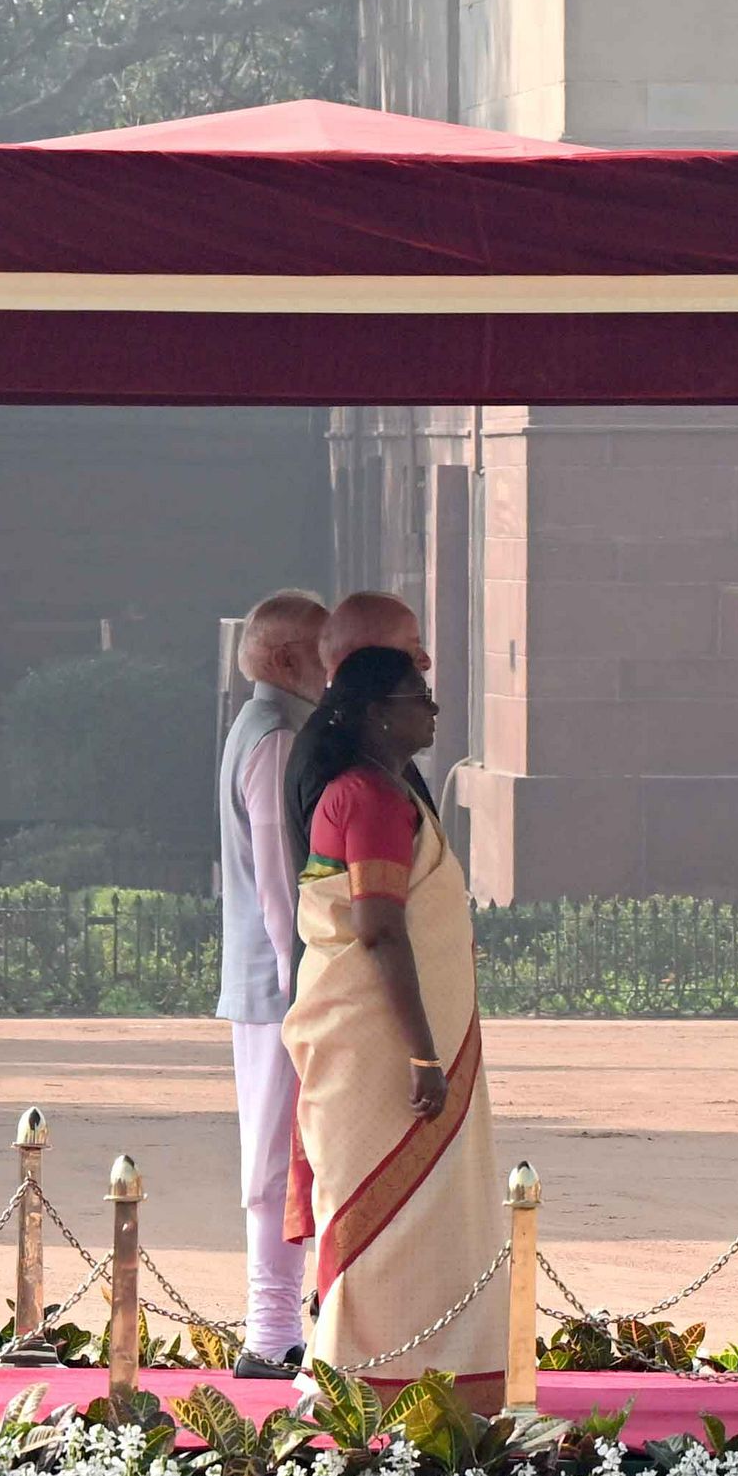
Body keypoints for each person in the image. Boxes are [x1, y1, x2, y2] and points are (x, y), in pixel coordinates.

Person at [281, 644, 503, 1400]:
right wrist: (422, 1055)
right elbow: (377, 930)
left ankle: (425, 1370)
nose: (433, 710)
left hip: (380, 1032)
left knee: (427, 1205)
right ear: (378, 712)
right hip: (378, 1041)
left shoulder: (383, 790)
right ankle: (359, 1374)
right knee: (380, 1201)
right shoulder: (367, 798)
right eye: (418, 697)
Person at [215, 593, 328, 1370]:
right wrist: (306, 987)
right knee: (274, 1164)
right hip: (280, 983)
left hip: (272, 981)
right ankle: (269, 1333)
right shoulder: (278, 734)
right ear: (289, 658)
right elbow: (281, 882)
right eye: (324, 651)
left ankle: (281, 1328)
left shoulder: (265, 725)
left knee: (284, 1157)